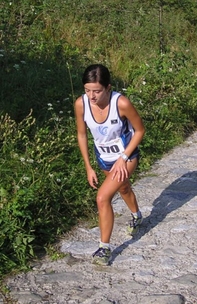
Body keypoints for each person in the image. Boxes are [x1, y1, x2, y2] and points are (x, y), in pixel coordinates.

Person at [74, 64, 145, 265]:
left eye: (96, 91)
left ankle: (104, 249)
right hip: (103, 157)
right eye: (87, 90)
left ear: (108, 87)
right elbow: (81, 134)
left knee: (103, 197)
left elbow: (140, 131)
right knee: (123, 187)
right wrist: (88, 166)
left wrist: (123, 157)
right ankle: (137, 216)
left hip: (126, 157)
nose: (91, 96)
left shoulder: (121, 103)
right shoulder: (81, 104)